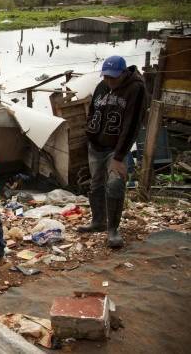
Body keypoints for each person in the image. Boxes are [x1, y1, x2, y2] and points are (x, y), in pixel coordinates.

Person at [77, 56, 147, 248]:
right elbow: (92, 110)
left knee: (115, 184)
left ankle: (113, 229)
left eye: (113, 78)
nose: (109, 81)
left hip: (116, 149)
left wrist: (118, 156)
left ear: (124, 73)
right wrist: (90, 133)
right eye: (106, 77)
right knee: (96, 185)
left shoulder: (136, 89)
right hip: (96, 146)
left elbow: (132, 124)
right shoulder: (102, 86)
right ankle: (98, 221)